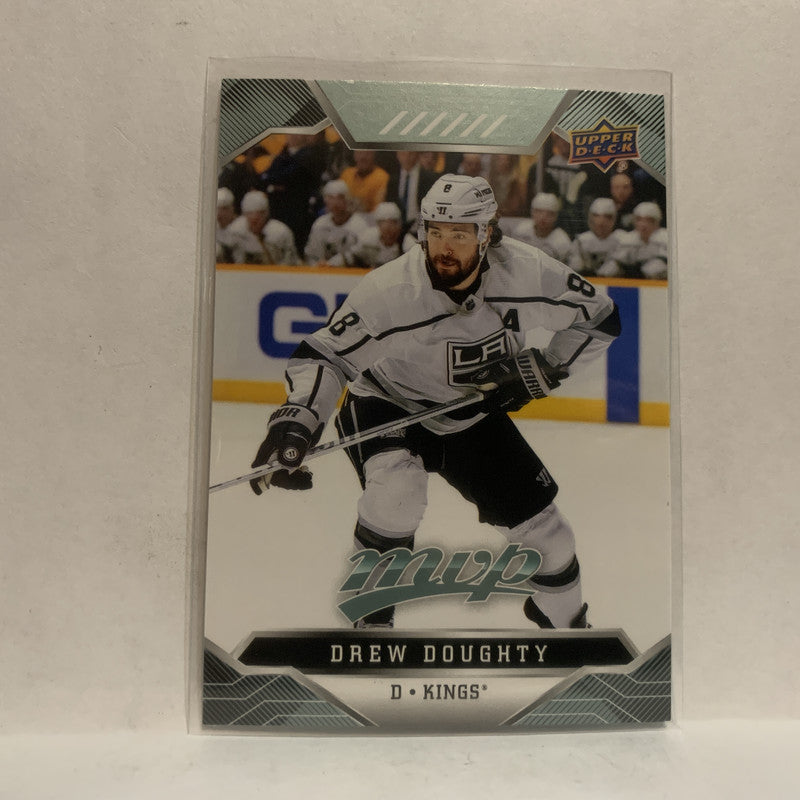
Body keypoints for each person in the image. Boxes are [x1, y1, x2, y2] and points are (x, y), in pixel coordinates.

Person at [249, 174, 621, 630]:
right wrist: (297, 422)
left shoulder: (528, 271)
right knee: (397, 497)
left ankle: (567, 626)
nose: (444, 248)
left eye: (460, 234)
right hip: (387, 401)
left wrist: (544, 368)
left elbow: (600, 317)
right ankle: (372, 622)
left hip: (471, 411)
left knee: (551, 537)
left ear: (488, 233)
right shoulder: (391, 290)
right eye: (435, 232)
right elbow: (325, 354)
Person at [303, 180, 369, 266]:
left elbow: (361, 254)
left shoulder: (359, 225)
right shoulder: (320, 223)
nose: (335, 202)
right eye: (331, 198)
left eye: (340, 197)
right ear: (325, 201)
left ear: (348, 200)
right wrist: (318, 264)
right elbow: (311, 254)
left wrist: (333, 263)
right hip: (322, 271)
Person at [226, 190, 300, 265]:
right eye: (249, 213)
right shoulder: (234, 231)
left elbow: (291, 262)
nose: (254, 217)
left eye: (260, 213)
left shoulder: (281, 232)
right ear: (244, 214)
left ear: (266, 213)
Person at [598, 201, 668, 279]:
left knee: (656, 266)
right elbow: (617, 260)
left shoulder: (665, 238)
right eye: (639, 220)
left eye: (649, 220)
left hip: (659, 278)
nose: (643, 224)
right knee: (610, 267)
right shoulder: (629, 239)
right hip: (630, 274)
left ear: (657, 222)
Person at [384, 151, 439, 232]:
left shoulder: (430, 178)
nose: (407, 158)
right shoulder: (393, 179)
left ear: (417, 154)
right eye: (403, 154)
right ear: (397, 155)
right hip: (398, 229)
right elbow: (390, 203)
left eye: (411, 154)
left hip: (421, 227)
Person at [566, 198, 622, 275]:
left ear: (613, 219)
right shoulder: (581, 241)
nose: (601, 222)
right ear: (590, 218)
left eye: (606, 217)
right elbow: (574, 267)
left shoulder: (621, 240)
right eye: (596, 216)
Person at [351, 202, 416, 268]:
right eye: (386, 231)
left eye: (393, 224)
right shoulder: (367, 240)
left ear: (399, 226)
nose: (389, 235)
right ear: (378, 226)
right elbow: (351, 257)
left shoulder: (409, 244)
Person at [511, 193, 572, 262]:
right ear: (532, 212)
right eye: (538, 211)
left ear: (556, 216)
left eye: (549, 214)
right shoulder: (521, 230)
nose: (543, 217)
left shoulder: (563, 241)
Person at [215, 187, 239, 263]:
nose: (220, 213)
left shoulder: (241, 228)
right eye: (217, 209)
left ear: (232, 209)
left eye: (224, 209)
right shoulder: (211, 230)